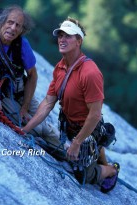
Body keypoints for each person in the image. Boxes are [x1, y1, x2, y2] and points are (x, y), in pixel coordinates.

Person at [22, 17, 120, 193]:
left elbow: (95, 114)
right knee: (58, 149)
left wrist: (76, 143)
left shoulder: (90, 73)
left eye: (68, 36)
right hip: (70, 127)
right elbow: (48, 103)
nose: (62, 39)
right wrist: (25, 129)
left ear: (79, 41)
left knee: (83, 175)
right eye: (60, 35)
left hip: (87, 130)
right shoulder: (60, 67)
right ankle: (96, 152)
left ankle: (111, 169)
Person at [0, 5, 60, 144]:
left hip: (21, 90)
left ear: (22, 30)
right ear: (1, 22)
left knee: (41, 121)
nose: (13, 28)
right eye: (10, 22)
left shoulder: (22, 45)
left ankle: (72, 152)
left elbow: (32, 75)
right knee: (38, 129)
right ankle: (66, 150)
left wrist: (25, 107)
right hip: (0, 94)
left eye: (18, 26)